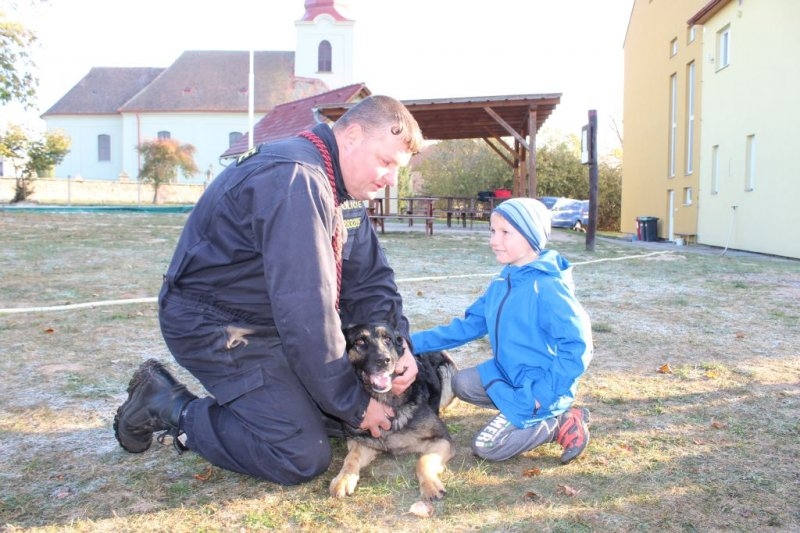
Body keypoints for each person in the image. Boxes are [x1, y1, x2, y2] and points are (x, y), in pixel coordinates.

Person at [114, 95, 425, 485]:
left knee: (329, 417)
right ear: (352, 136)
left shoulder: (339, 188)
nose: (391, 179)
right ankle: (170, 406)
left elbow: (370, 283)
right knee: (300, 455)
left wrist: (400, 347)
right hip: (215, 324)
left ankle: (282, 406)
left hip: (269, 321)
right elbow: (305, 310)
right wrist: (354, 403)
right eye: (386, 162)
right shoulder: (295, 178)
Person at [410, 197, 593, 464]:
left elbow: (579, 347)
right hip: (510, 375)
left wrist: (542, 395)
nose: (494, 241)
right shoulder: (503, 280)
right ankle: (523, 413)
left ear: (531, 236)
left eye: (505, 232)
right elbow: (467, 326)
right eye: (493, 231)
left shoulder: (549, 288)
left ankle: (558, 422)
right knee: (461, 383)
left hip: (540, 387)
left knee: (487, 447)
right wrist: (409, 343)